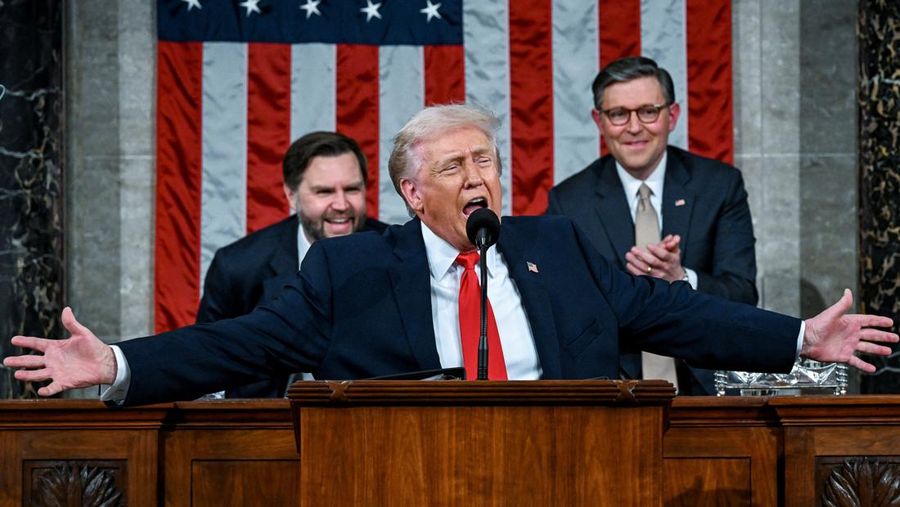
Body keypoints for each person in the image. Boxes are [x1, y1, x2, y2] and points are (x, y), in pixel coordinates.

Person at [4, 104, 896, 406]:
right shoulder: (352, 270)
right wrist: (118, 361)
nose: (480, 177)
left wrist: (794, 339)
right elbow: (236, 344)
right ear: (411, 191)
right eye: (456, 165)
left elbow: (675, 314)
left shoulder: (559, 245)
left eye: (488, 161)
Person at [547, 56, 755, 395]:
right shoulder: (569, 202)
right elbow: (562, 311)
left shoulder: (719, 186)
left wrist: (681, 279)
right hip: (612, 391)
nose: (633, 127)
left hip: (707, 389)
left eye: (648, 111)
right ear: (599, 121)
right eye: (618, 114)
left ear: (672, 116)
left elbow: (743, 294)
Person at [197, 131, 387, 398]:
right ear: (291, 195)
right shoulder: (238, 266)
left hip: (371, 421)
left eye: (352, 189)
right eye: (324, 191)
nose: (342, 204)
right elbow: (208, 361)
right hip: (266, 424)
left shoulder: (397, 253)